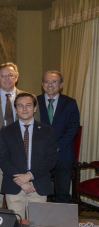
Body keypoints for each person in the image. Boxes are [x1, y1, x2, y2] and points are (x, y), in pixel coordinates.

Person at [0, 62, 39, 207]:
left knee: (20, 201)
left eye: (10, 75)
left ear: (17, 77)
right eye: (3, 75)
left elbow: (37, 130)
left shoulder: (30, 99)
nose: (7, 78)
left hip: (22, 157)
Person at [0, 92, 57, 218]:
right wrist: (21, 181)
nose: (24, 109)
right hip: (14, 185)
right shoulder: (6, 132)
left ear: (35, 108)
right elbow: (3, 159)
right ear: (15, 109)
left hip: (39, 185)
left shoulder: (47, 131)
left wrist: (30, 176)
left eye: (28, 105)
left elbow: (51, 159)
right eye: (20, 105)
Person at [37, 71, 80, 203]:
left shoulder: (70, 103)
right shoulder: (34, 102)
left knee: (63, 193)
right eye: (47, 81)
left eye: (54, 81)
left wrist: (57, 146)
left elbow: (73, 128)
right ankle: (43, 222)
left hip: (63, 154)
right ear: (42, 84)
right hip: (40, 155)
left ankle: (62, 223)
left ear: (61, 85)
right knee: (42, 192)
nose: (50, 84)